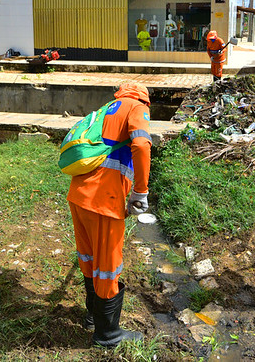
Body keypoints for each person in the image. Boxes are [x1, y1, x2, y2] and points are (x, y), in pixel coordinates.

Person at [67, 83, 152, 348]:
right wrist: (140, 191)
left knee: (88, 256)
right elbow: (140, 144)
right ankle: (108, 335)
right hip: (104, 201)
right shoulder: (136, 107)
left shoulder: (106, 108)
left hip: (79, 194)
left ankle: (93, 315)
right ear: (145, 99)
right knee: (107, 266)